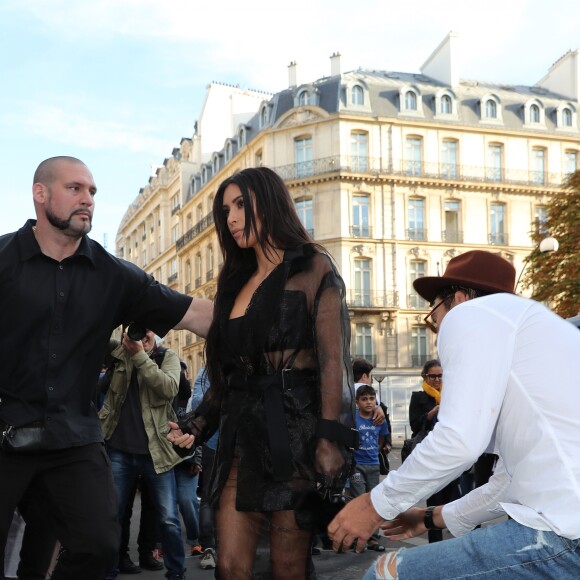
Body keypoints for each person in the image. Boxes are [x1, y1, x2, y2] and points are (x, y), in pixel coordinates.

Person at [0, 156, 213, 580]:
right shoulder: (3, 259)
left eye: (93, 192)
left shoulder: (113, 274)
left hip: (73, 440)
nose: (87, 199)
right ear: (40, 194)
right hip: (4, 433)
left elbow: (197, 315)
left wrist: (278, 302)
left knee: (98, 548)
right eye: (75, 188)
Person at [328, 250, 580, 579]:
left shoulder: (471, 314)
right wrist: (432, 516)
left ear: (459, 298)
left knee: (386, 572)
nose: (436, 331)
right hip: (566, 528)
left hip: (564, 534)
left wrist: (374, 505)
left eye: (434, 315)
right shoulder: (534, 336)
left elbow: (458, 440)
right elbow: (506, 483)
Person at [168, 166, 356, 579]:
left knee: (287, 567)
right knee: (232, 565)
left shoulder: (313, 267)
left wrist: (329, 440)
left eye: (240, 205)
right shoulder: (235, 282)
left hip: (296, 438)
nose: (231, 218)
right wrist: (197, 424)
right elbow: (232, 375)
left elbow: (332, 361)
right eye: (226, 210)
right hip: (240, 441)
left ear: (268, 203)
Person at [100, 329, 188, 580]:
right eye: (137, 328)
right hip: (119, 450)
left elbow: (170, 388)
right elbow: (97, 330)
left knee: (169, 519)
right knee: (113, 516)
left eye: (147, 329)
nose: (141, 334)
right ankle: (110, 571)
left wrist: (141, 355)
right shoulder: (119, 352)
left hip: (157, 452)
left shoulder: (167, 356)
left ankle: (177, 574)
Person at [408, 360, 460, 543]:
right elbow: (414, 425)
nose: (437, 379)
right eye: (433, 376)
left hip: (451, 453)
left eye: (440, 376)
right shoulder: (419, 397)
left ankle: (454, 541)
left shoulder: (452, 396)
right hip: (431, 454)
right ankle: (435, 543)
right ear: (425, 377)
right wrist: (432, 413)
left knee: (453, 499)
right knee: (434, 500)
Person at [187, 367, 219, 570]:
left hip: (212, 441)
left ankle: (209, 548)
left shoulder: (208, 371)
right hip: (224, 443)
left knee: (208, 496)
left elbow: (198, 401)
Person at [350, 385, 388, 552]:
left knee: (374, 502)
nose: (368, 402)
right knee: (360, 501)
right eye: (364, 399)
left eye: (372, 399)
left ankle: (373, 538)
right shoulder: (353, 419)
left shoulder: (380, 419)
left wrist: (377, 451)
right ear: (357, 402)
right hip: (356, 466)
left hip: (373, 465)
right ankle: (358, 538)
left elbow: (381, 439)